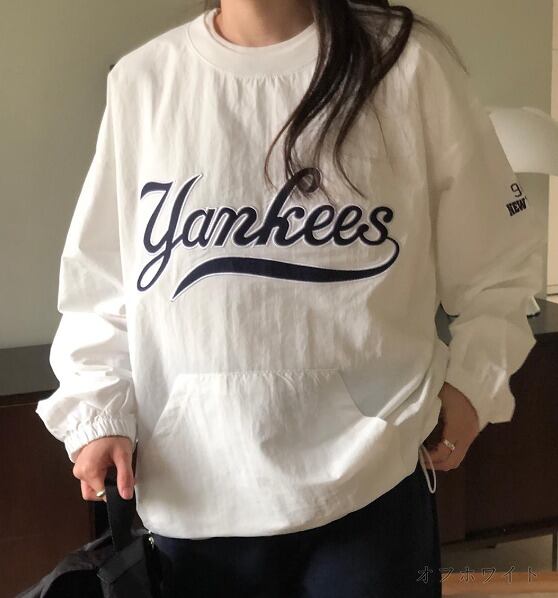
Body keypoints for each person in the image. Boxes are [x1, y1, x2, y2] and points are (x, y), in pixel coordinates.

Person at [36, 0, 545, 596]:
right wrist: (99, 413)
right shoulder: (144, 82)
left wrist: (473, 389)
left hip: (371, 492)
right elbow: (102, 289)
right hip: (193, 498)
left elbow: (498, 266)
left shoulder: (406, 67)